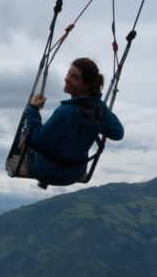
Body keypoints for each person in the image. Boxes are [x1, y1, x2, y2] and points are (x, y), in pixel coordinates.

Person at [22, 57, 124, 187]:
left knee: (25, 137)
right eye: (68, 73)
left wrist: (33, 109)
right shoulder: (100, 110)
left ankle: (45, 176)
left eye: (74, 77)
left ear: (86, 85)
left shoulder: (66, 111)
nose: (67, 79)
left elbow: (39, 142)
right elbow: (118, 133)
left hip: (45, 171)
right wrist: (101, 118)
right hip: (74, 174)